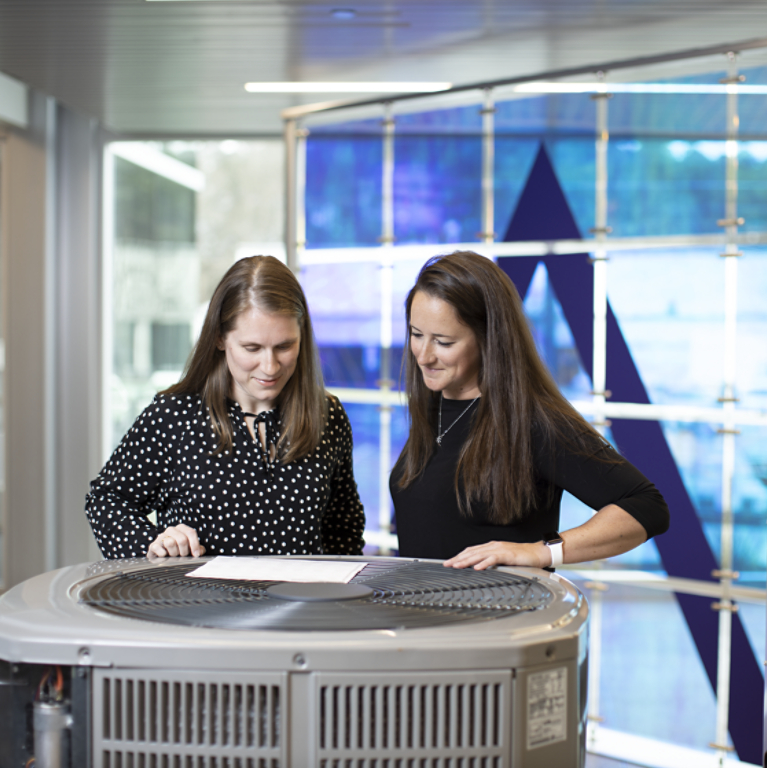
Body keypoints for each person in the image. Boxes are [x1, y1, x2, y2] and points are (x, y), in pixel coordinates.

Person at [390, 251, 669, 570]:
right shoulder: (435, 403)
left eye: (444, 342)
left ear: (487, 339)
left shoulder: (535, 421)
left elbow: (647, 506)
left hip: (498, 616)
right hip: (426, 614)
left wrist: (542, 551)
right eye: (416, 335)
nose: (423, 356)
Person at [86, 255, 365, 560]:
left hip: (301, 606)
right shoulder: (174, 416)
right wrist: (153, 546)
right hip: (197, 605)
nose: (270, 366)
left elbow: (343, 527)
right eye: (252, 348)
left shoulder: (328, 416)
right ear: (219, 338)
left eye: (284, 346)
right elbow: (105, 501)